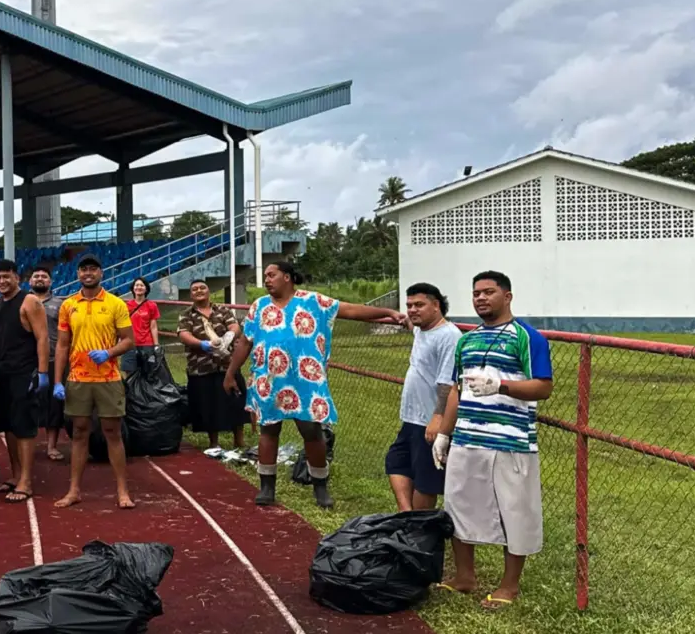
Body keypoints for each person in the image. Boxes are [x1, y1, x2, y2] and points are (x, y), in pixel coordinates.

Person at [224, 261, 406, 508]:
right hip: (269, 380)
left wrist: (389, 314)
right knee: (269, 430)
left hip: (305, 380)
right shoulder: (259, 306)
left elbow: (351, 310)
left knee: (311, 430)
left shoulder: (314, 301)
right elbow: (246, 342)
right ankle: (267, 486)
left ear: (287, 277)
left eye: (271, 275)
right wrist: (231, 373)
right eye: (265, 275)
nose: (266, 280)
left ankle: (320, 485)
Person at [432, 271, 552, 609]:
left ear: (507, 296)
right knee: (458, 505)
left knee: (514, 511)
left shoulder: (526, 337)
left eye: (488, 292)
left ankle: (509, 586)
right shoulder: (466, 340)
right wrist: (444, 433)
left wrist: (501, 386)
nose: (481, 298)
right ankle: (465, 576)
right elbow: (457, 390)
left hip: (509, 441)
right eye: (476, 293)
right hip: (468, 438)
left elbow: (543, 386)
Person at [51, 254, 136, 509]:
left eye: (93, 269)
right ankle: (74, 490)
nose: (88, 273)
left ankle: (122, 491)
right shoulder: (68, 305)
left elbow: (128, 340)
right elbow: (63, 345)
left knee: (112, 432)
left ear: (101, 273)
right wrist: (58, 381)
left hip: (108, 377)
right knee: (78, 432)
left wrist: (108, 353)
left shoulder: (115, 304)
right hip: (78, 377)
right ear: (78, 274)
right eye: (83, 269)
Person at [0, 259, 51, 503]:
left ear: (16, 278)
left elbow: (43, 338)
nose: (1, 281)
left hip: (25, 372)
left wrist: (42, 373)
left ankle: (27, 482)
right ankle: (16, 474)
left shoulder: (30, 302)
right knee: (7, 425)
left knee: (24, 426)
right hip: (2, 372)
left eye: (6, 276)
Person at [385, 282, 460, 511]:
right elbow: (413, 324)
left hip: (429, 420)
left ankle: (420, 530)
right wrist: (405, 320)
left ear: (436, 305)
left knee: (425, 480)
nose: (412, 310)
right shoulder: (421, 329)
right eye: (409, 305)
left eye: (419, 305)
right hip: (411, 418)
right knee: (396, 462)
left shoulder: (449, 336)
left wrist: (438, 417)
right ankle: (407, 518)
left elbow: (448, 382)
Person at [175, 278, 247, 453]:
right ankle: (213, 442)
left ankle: (239, 441)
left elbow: (234, 326)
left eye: (202, 288)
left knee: (236, 401)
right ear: (191, 294)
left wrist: (230, 335)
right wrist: (202, 344)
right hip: (201, 367)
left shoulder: (222, 310)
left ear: (208, 291)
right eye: (195, 289)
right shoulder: (186, 314)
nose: (199, 291)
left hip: (227, 365)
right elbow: (184, 335)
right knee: (208, 405)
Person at [28, 266, 67, 462]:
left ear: (50, 281)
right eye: (37, 276)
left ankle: (52, 446)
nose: (40, 279)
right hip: (28, 361)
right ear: (30, 281)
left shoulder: (61, 304)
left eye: (44, 276)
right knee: (28, 404)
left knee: (54, 406)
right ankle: (28, 445)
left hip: (53, 359)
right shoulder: (23, 303)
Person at [122, 277, 160, 374]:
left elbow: (153, 326)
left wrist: (156, 345)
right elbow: (123, 325)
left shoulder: (152, 305)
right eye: (137, 285)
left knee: (148, 372)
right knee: (130, 373)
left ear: (146, 289)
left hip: (147, 344)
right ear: (133, 288)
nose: (139, 287)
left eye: (142, 285)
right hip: (129, 344)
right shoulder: (126, 306)